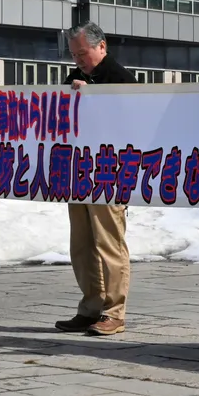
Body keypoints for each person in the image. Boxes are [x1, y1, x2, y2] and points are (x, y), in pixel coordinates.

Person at [55, 21, 137, 336]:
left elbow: (130, 121)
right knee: (81, 244)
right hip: (78, 170)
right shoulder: (74, 77)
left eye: (82, 53)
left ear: (101, 46)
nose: (78, 60)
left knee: (109, 243)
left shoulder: (121, 79)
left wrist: (95, 97)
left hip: (109, 171)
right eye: (74, 54)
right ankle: (91, 307)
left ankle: (114, 312)